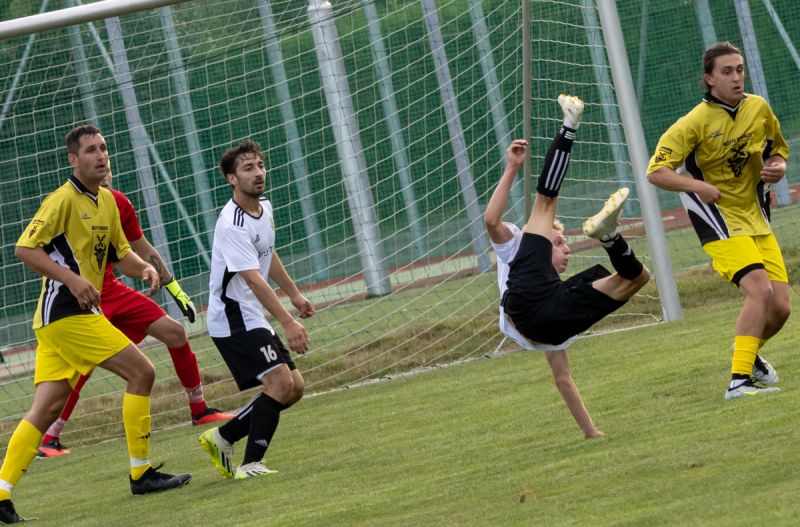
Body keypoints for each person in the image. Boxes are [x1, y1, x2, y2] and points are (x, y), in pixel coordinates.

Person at [0, 125, 191, 524]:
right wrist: (70, 278)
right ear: (73, 159)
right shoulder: (62, 200)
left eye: (104, 148)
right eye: (90, 150)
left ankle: (0, 494)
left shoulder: (107, 201)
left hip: (60, 321)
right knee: (142, 371)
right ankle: (140, 473)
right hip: (67, 314)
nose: (101, 155)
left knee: (46, 407)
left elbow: (120, 254)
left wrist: (144, 271)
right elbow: (23, 248)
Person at [36, 169, 234, 459]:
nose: (103, 170)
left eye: (106, 159)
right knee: (83, 366)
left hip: (115, 291)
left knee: (175, 333)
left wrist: (174, 289)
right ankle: (50, 437)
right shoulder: (67, 203)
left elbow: (139, 248)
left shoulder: (118, 203)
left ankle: (199, 409)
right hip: (82, 299)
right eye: (93, 155)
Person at [484, 95, 650, 438]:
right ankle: (569, 124)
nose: (567, 247)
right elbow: (490, 220)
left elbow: (562, 378)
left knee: (637, 278)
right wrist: (512, 168)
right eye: (558, 243)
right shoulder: (518, 244)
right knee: (545, 203)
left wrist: (591, 431)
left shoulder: (555, 307)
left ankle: (609, 236)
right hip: (524, 305)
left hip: (548, 317)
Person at [647, 42, 789, 400]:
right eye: (727, 72)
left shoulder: (758, 108)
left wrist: (779, 168)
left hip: (756, 217)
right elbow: (657, 172)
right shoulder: (693, 123)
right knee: (759, 292)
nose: (736, 77)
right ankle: (738, 382)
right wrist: (697, 186)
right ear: (709, 80)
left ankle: (747, 355)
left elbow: (778, 151)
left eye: (739, 69)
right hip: (719, 219)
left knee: (782, 308)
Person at [198, 140, 314, 480]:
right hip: (231, 318)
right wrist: (289, 322)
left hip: (251, 315)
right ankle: (250, 465)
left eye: (260, 165)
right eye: (248, 168)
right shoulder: (231, 223)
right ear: (232, 179)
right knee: (280, 382)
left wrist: (294, 295)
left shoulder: (263, 208)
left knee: (295, 387)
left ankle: (223, 436)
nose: (258, 173)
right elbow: (253, 279)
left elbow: (267, 254)